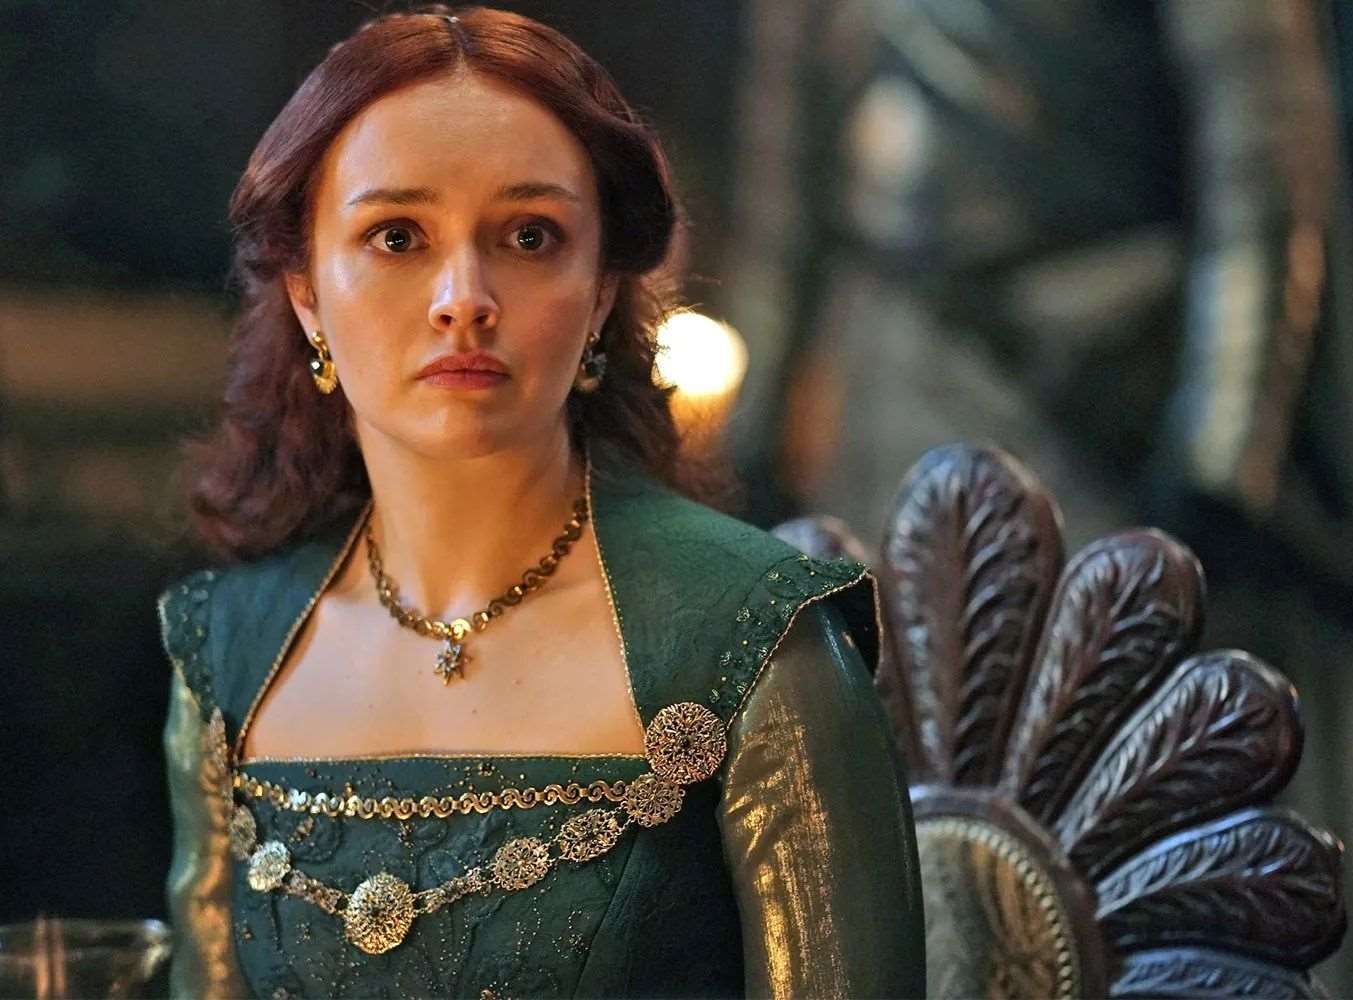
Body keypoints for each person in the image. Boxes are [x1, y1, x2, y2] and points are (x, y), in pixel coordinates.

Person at [158, 7, 924, 997]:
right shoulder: (228, 658)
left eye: (529, 235)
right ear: (307, 293)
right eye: (397, 236)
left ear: (602, 290)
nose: (464, 297)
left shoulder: (759, 646)